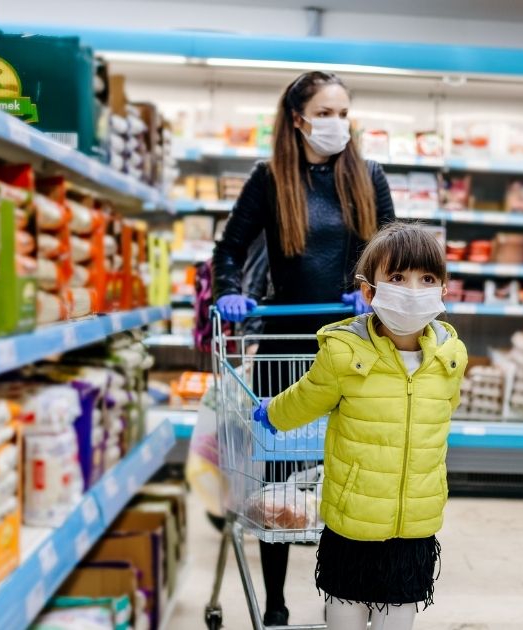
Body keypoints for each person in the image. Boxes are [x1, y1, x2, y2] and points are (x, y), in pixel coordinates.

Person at [212, 70, 396, 625]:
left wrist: (373, 289)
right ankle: (275, 605)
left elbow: (393, 249)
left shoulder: (369, 176)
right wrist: (230, 293)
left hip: (353, 348)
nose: (336, 124)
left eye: (343, 113)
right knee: (277, 488)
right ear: (297, 119)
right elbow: (228, 251)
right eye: (325, 113)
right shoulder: (269, 180)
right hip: (285, 348)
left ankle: (341, 598)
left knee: (346, 480)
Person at [252, 223, 467, 630]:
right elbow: (307, 396)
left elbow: (446, 409)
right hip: (353, 516)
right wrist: (274, 412)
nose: (412, 289)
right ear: (369, 291)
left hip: (414, 519)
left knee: (398, 613)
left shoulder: (450, 358)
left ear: (443, 290)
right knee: (345, 608)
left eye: (426, 278)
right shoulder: (344, 354)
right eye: (397, 278)